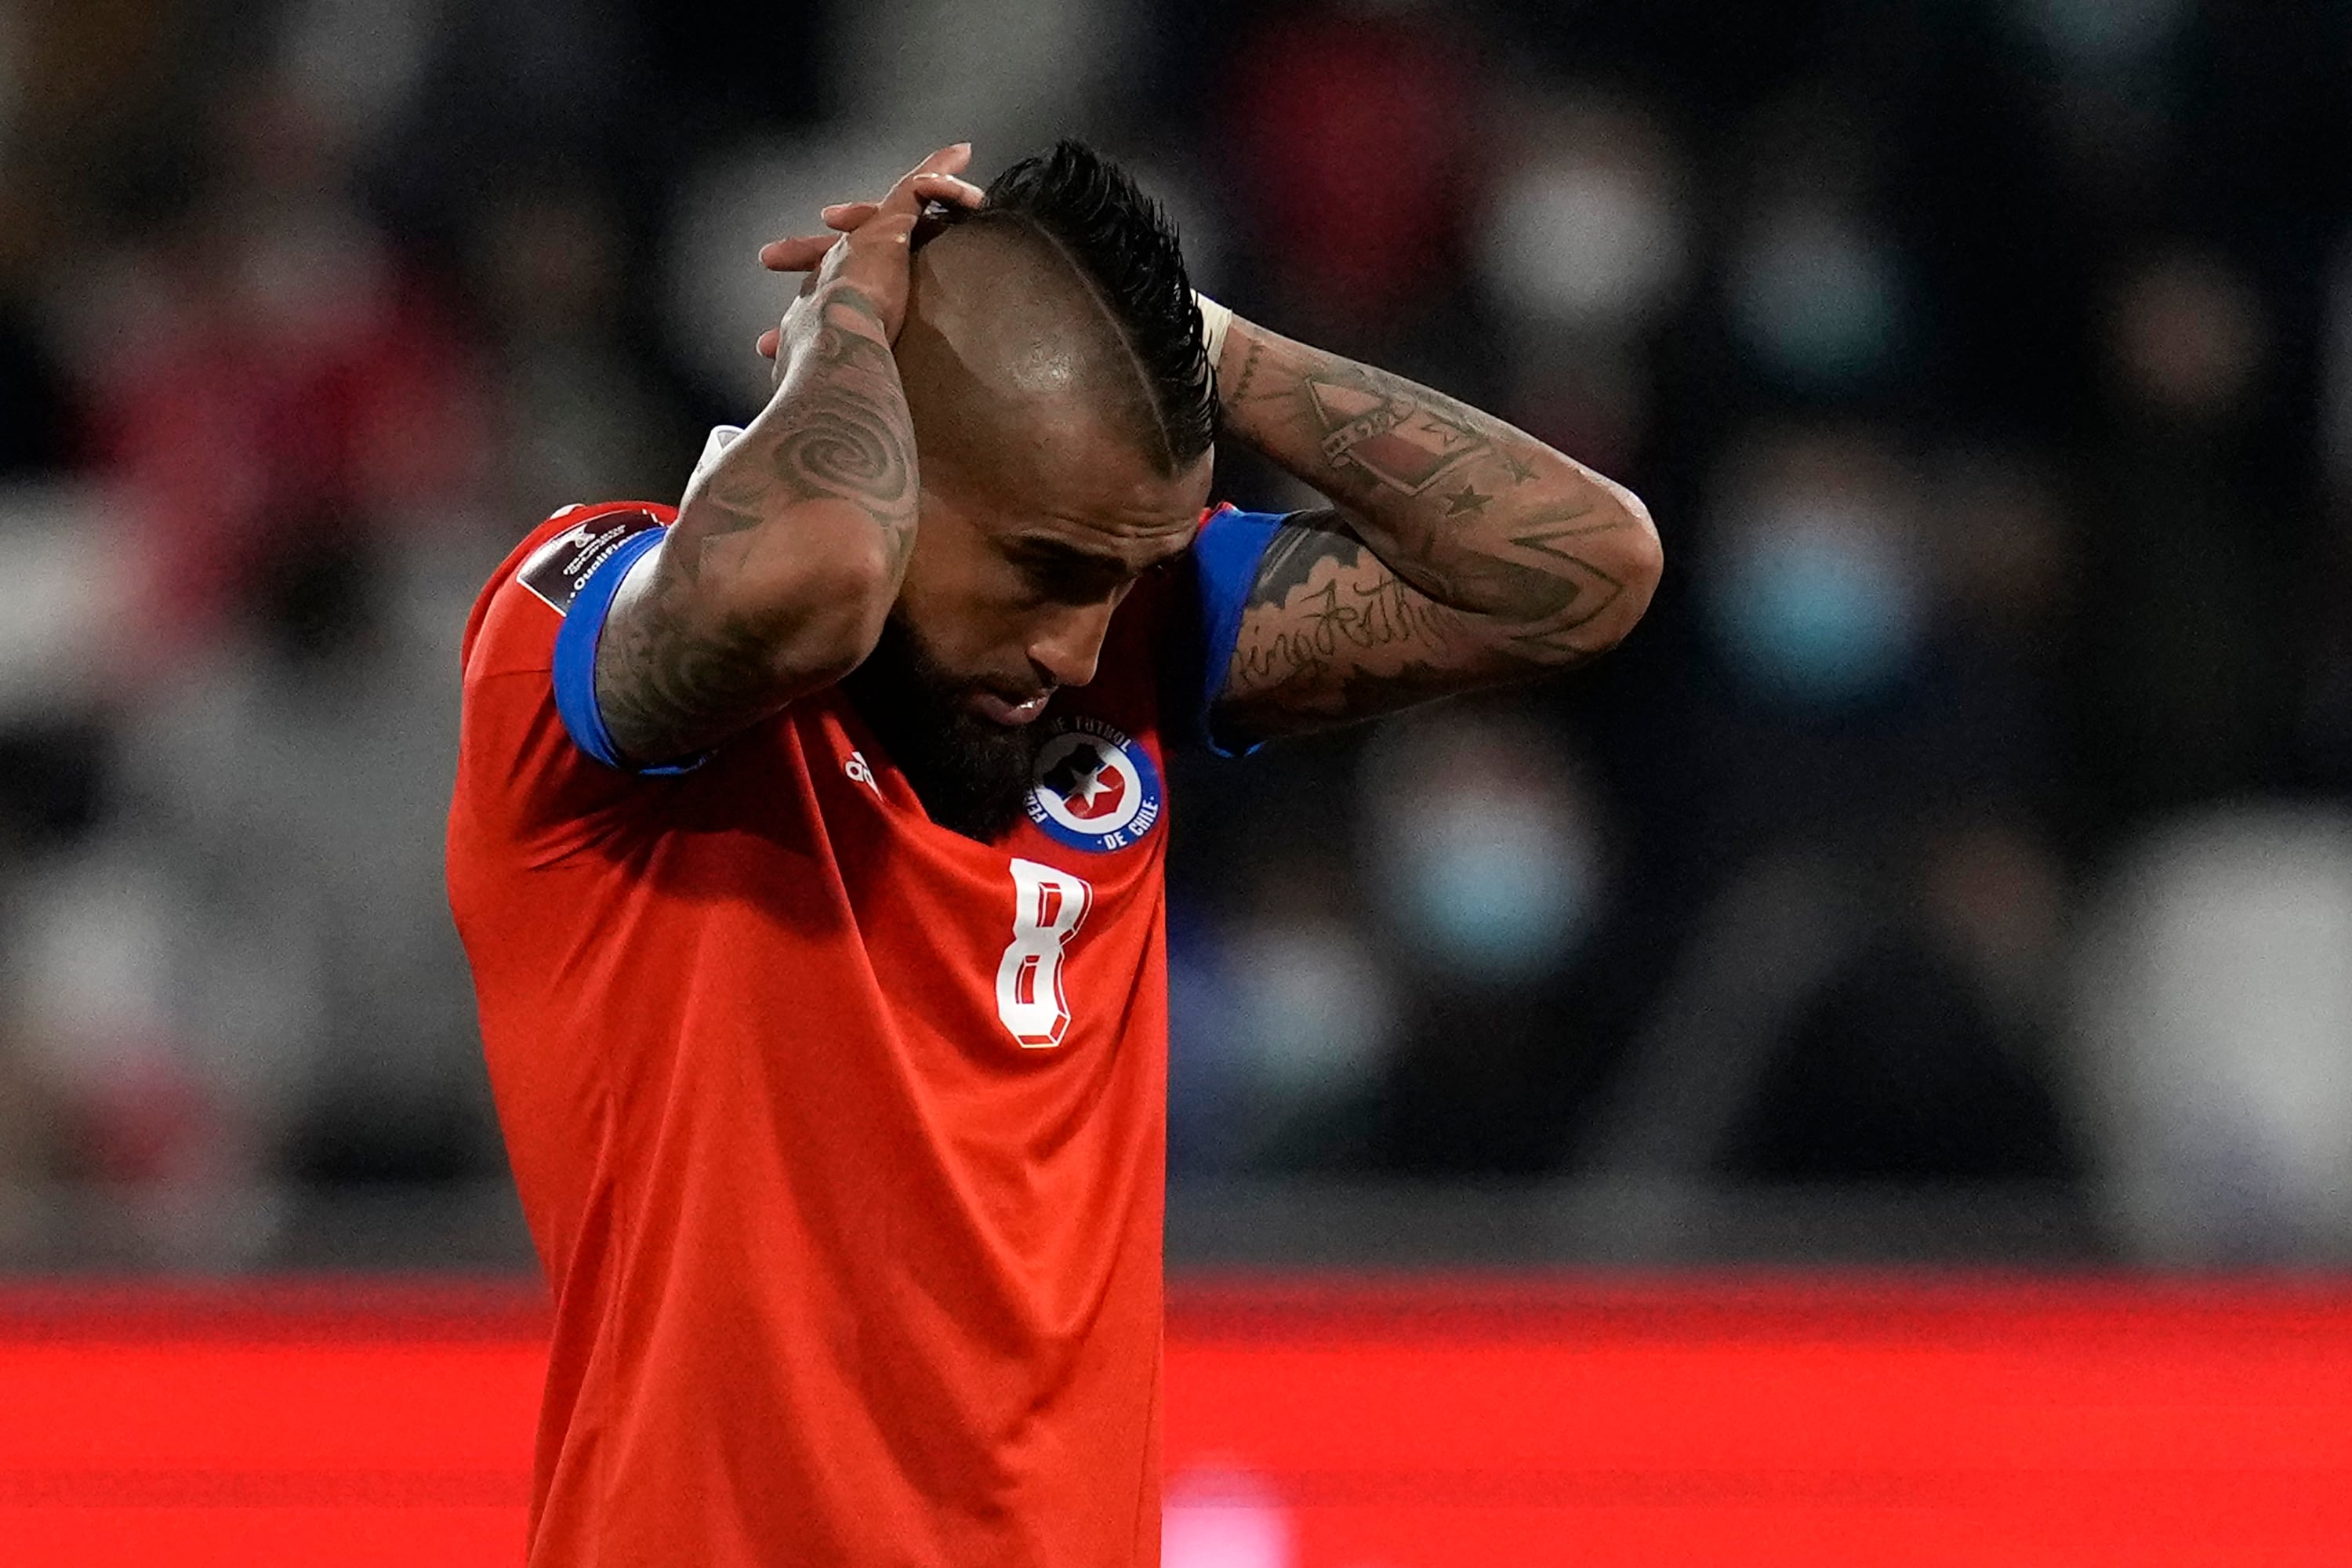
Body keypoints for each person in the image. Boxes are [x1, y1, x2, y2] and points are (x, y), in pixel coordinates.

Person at [446, 140, 1661, 1566]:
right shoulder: (579, 633)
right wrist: (849, 321)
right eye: (1041, 570)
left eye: (1123, 579)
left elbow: (1583, 570)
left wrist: (1188, 339)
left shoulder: (1114, 638)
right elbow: (811, 582)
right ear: (898, 468)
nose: (1076, 647)